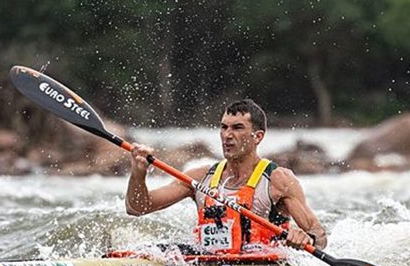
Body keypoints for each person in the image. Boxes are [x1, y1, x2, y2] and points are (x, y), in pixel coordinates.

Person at [126, 99, 328, 253]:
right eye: (224, 127)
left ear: (257, 136)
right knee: (151, 251)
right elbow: (137, 208)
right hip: (207, 263)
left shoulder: (279, 180)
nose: (227, 135)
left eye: (237, 128)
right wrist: (138, 174)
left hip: (262, 264)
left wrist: (304, 238)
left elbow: (319, 236)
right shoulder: (199, 177)